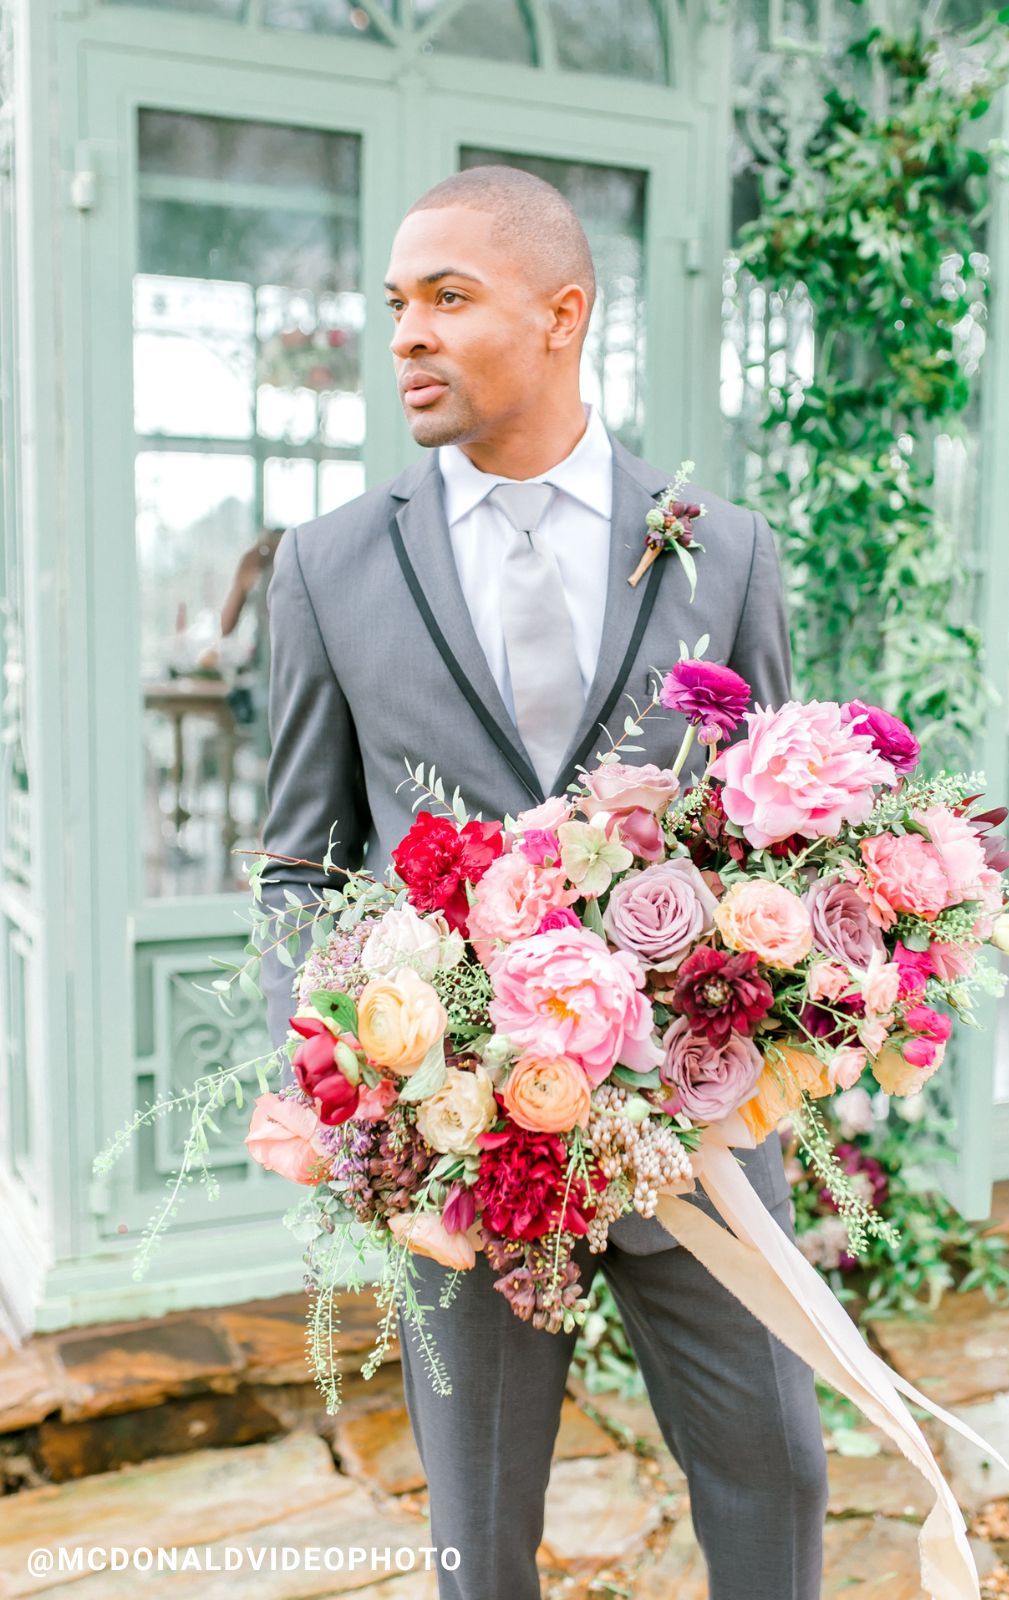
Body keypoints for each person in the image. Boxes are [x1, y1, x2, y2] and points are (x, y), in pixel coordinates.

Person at [258, 164, 828, 1600]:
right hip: (460, 1156)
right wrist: (347, 1092)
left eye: (447, 298)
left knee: (775, 1474)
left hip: (693, 1146)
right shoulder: (328, 568)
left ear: (563, 312)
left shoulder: (723, 548)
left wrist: (780, 1036)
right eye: (396, 304)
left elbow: (778, 839)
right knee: (479, 1526)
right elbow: (298, 859)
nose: (406, 335)